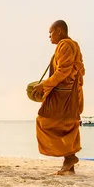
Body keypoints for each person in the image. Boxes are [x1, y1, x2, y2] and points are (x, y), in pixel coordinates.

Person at [32, 20, 85, 175]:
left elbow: (63, 71)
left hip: (63, 93)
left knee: (44, 121)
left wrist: (44, 85)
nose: (49, 36)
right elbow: (79, 69)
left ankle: (70, 157)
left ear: (59, 31)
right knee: (65, 125)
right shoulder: (73, 45)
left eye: (51, 32)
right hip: (70, 92)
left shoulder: (65, 45)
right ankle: (70, 162)